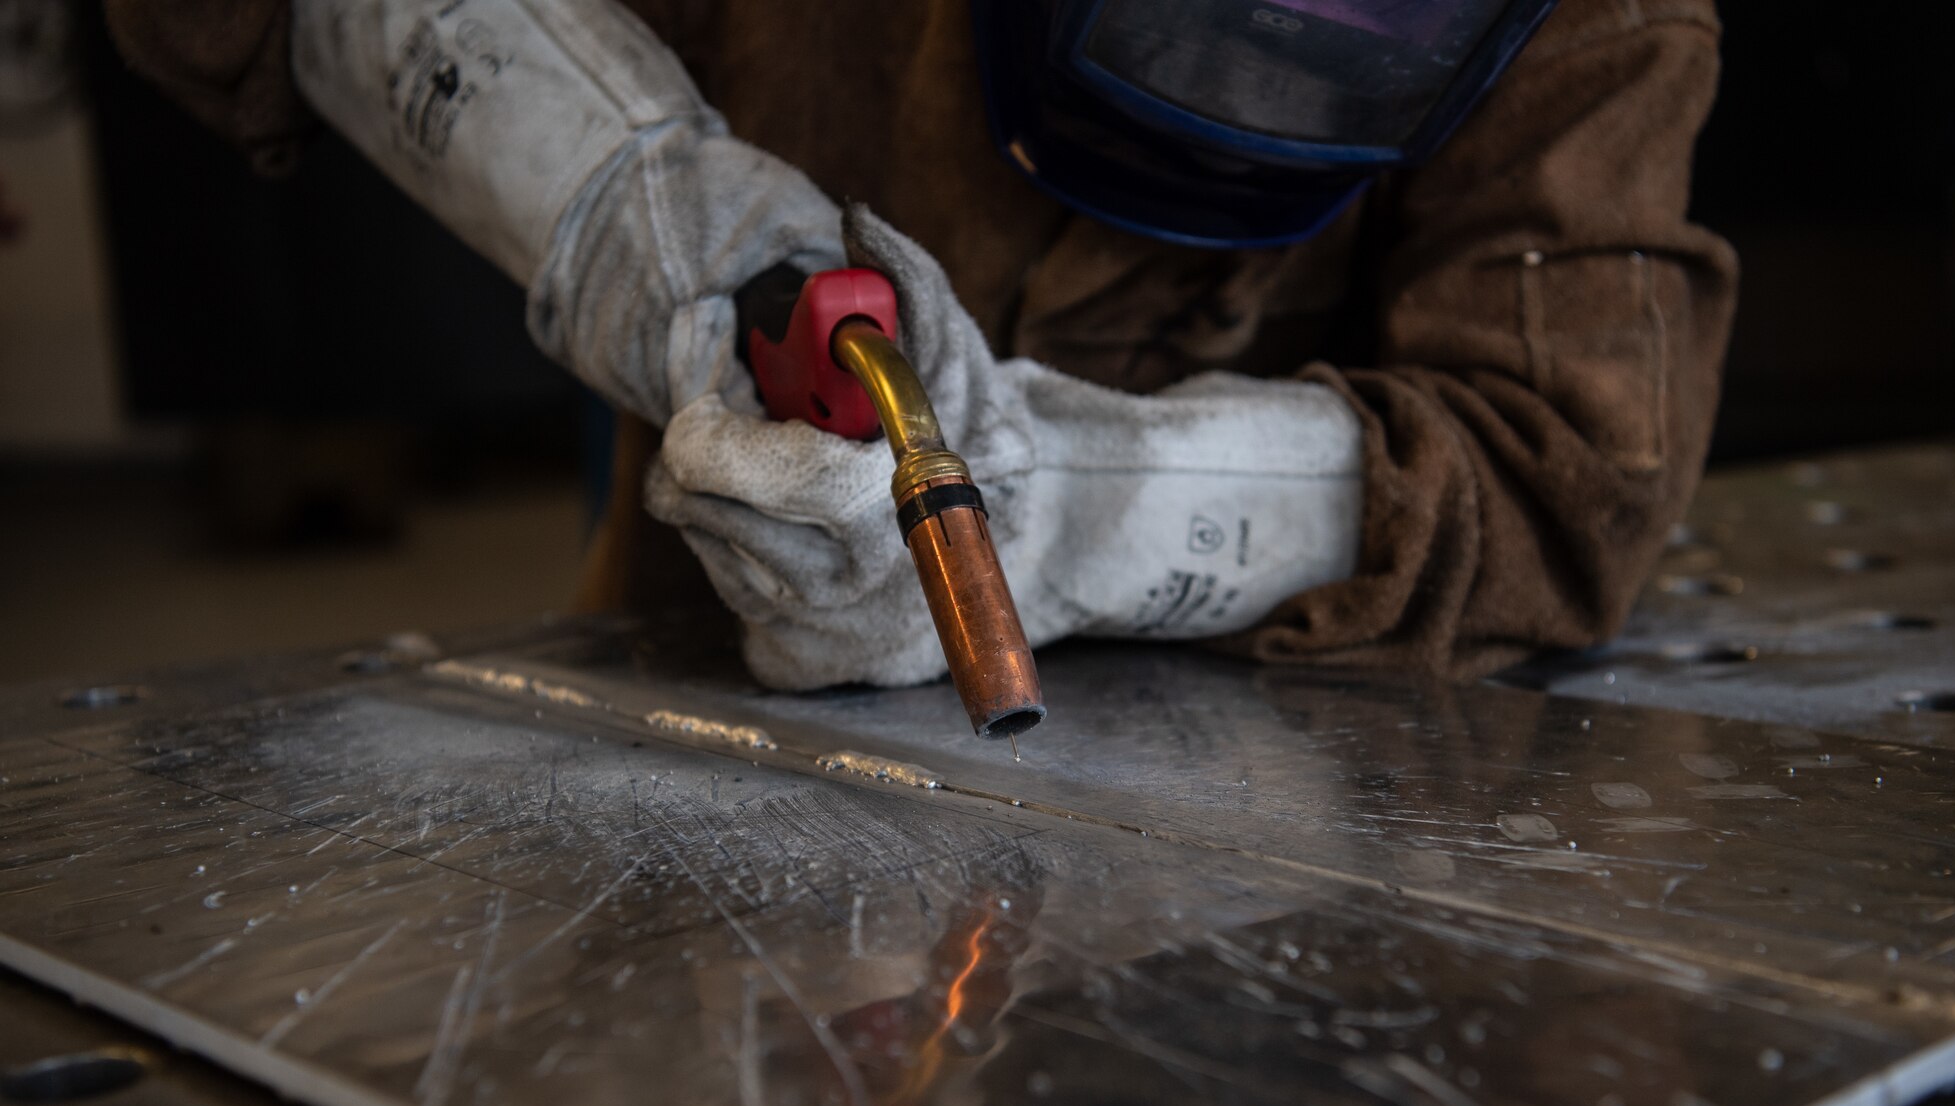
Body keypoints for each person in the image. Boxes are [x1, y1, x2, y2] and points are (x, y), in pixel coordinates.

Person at [104, 0, 1736, 690]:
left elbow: (1568, 467)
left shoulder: (1591, 25)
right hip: (700, 646)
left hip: (1258, 775)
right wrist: (622, 204)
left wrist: (1076, 511)